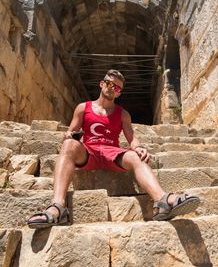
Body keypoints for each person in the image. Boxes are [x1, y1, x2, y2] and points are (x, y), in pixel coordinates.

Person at [27, 69, 200, 228]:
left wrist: (139, 147)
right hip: (90, 151)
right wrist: (69, 136)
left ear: (119, 93)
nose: (112, 88)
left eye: (117, 88)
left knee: (135, 156)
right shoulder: (83, 108)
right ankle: (58, 207)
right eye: (109, 84)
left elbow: (131, 138)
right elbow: (70, 132)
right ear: (102, 84)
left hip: (112, 152)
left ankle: (163, 201)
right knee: (68, 145)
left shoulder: (123, 114)